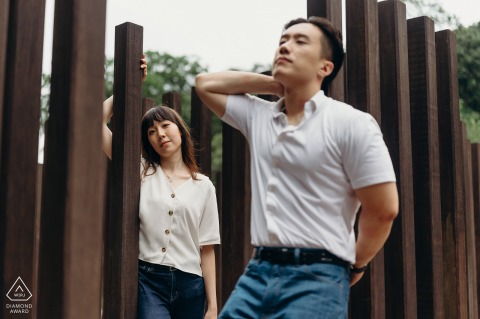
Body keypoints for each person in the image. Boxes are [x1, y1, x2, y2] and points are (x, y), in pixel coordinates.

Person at [195, 16, 398, 318]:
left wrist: (356, 264)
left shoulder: (351, 123)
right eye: (282, 41)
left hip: (319, 275)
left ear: (325, 68)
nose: (285, 47)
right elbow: (204, 84)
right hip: (257, 273)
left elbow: (383, 209)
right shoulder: (259, 116)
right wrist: (274, 84)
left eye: (300, 41)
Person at [102, 55, 220, 319]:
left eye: (165, 126)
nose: (160, 134)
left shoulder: (204, 187)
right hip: (149, 280)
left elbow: (207, 248)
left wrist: (212, 307)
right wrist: (129, 86)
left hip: (192, 285)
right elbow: (97, 123)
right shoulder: (140, 171)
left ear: (180, 130)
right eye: (151, 132)